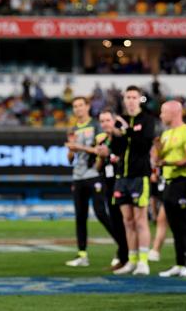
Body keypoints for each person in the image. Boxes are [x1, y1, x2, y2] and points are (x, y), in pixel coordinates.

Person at [64, 97, 115, 267]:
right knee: (80, 216)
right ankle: (82, 254)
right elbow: (70, 159)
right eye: (75, 106)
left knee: (101, 212)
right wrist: (71, 150)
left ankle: (123, 246)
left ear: (87, 107)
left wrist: (79, 148)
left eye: (80, 105)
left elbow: (101, 151)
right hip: (78, 176)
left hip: (94, 174)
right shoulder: (72, 129)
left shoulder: (95, 126)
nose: (77, 109)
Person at [111, 85, 155, 275]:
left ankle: (143, 262)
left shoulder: (147, 119)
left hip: (139, 176)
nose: (130, 100)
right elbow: (117, 149)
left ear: (140, 99)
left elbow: (144, 145)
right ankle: (132, 259)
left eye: (133, 97)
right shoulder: (121, 121)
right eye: (127, 97)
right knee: (127, 220)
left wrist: (127, 131)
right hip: (122, 176)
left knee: (140, 220)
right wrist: (115, 135)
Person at [155, 100, 186, 278]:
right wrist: (158, 151)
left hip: (185, 182)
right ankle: (180, 263)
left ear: (173, 112)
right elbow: (159, 159)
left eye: (162, 112)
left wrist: (168, 162)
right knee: (174, 225)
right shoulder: (165, 134)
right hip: (169, 182)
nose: (160, 115)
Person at [95, 109, 129, 270]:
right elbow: (97, 167)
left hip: (122, 184)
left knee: (125, 222)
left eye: (107, 120)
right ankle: (123, 255)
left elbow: (125, 159)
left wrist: (110, 154)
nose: (105, 124)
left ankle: (127, 257)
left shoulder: (121, 138)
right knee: (116, 222)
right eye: (102, 121)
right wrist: (101, 157)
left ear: (114, 121)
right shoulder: (102, 141)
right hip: (108, 185)